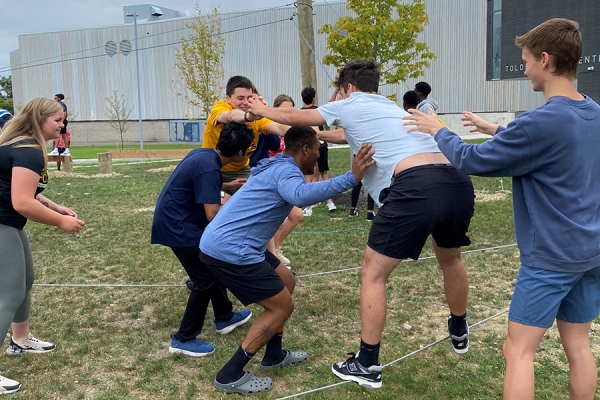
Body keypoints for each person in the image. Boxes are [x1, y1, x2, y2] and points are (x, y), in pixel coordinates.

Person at [404, 18, 600, 400]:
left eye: (526, 60)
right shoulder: (592, 112)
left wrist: (437, 129)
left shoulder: (540, 122)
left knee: (518, 350)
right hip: (591, 253)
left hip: (552, 257)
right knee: (577, 346)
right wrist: (491, 128)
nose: (524, 69)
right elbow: (549, 142)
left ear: (545, 59)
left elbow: (469, 160)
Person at [248, 59, 475, 389]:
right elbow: (343, 134)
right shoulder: (389, 109)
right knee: (451, 259)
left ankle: (366, 364)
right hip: (456, 181)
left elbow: (296, 117)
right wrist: (319, 133)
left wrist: (261, 107)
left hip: (415, 185)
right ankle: (458, 325)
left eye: (339, 92)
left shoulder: (351, 103)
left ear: (348, 89)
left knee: (373, 272)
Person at [199, 127, 375, 396]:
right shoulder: (286, 171)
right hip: (231, 249)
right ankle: (230, 373)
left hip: (237, 244)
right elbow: (301, 197)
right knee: (281, 308)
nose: (319, 155)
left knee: (286, 280)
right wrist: (352, 177)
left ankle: (274, 355)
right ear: (305, 149)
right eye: (317, 149)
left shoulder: (279, 165)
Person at [0, 97, 85, 395]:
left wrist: (55, 206)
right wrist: (60, 222)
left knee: (25, 280)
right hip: (2, 223)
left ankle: (20, 339)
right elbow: (21, 201)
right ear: (39, 119)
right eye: (58, 120)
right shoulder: (28, 150)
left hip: (9, 222)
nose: (62, 125)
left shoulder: (24, 144)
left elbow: (26, 191)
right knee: (7, 293)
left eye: (63, 120)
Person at [151, 122, 256, 357]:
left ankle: (225, 317)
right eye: (248, 150)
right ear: (240, 153)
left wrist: (227, 184)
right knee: (204, 280)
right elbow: (212, 215)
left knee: (212, 267)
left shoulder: (203, 155)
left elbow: (198, 180)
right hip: (179, 227)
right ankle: (183, 338)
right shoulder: (211, 168)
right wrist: (236, 206)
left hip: (176, 221)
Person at [201, 76, 288, 194]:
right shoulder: (220, 107)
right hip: (212, 168)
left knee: (277, 205)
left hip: (240, 171)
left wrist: (307, 132)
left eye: (249, 98)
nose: (246, 103)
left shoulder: (256, 115)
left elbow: (279, 128)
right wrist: (249, 116)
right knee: (215, 210)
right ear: (228, 98)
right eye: (240, 98)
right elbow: (230, 116)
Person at [300, 87, 336, 215]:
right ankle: (330, 202)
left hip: (309, 147)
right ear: (313, 98)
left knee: (309, 176)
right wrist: (336, 91)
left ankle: (308, 206)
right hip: (321, 144)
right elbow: (331, 105)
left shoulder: (300, 113)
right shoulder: (319, 110)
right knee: (323, 173)